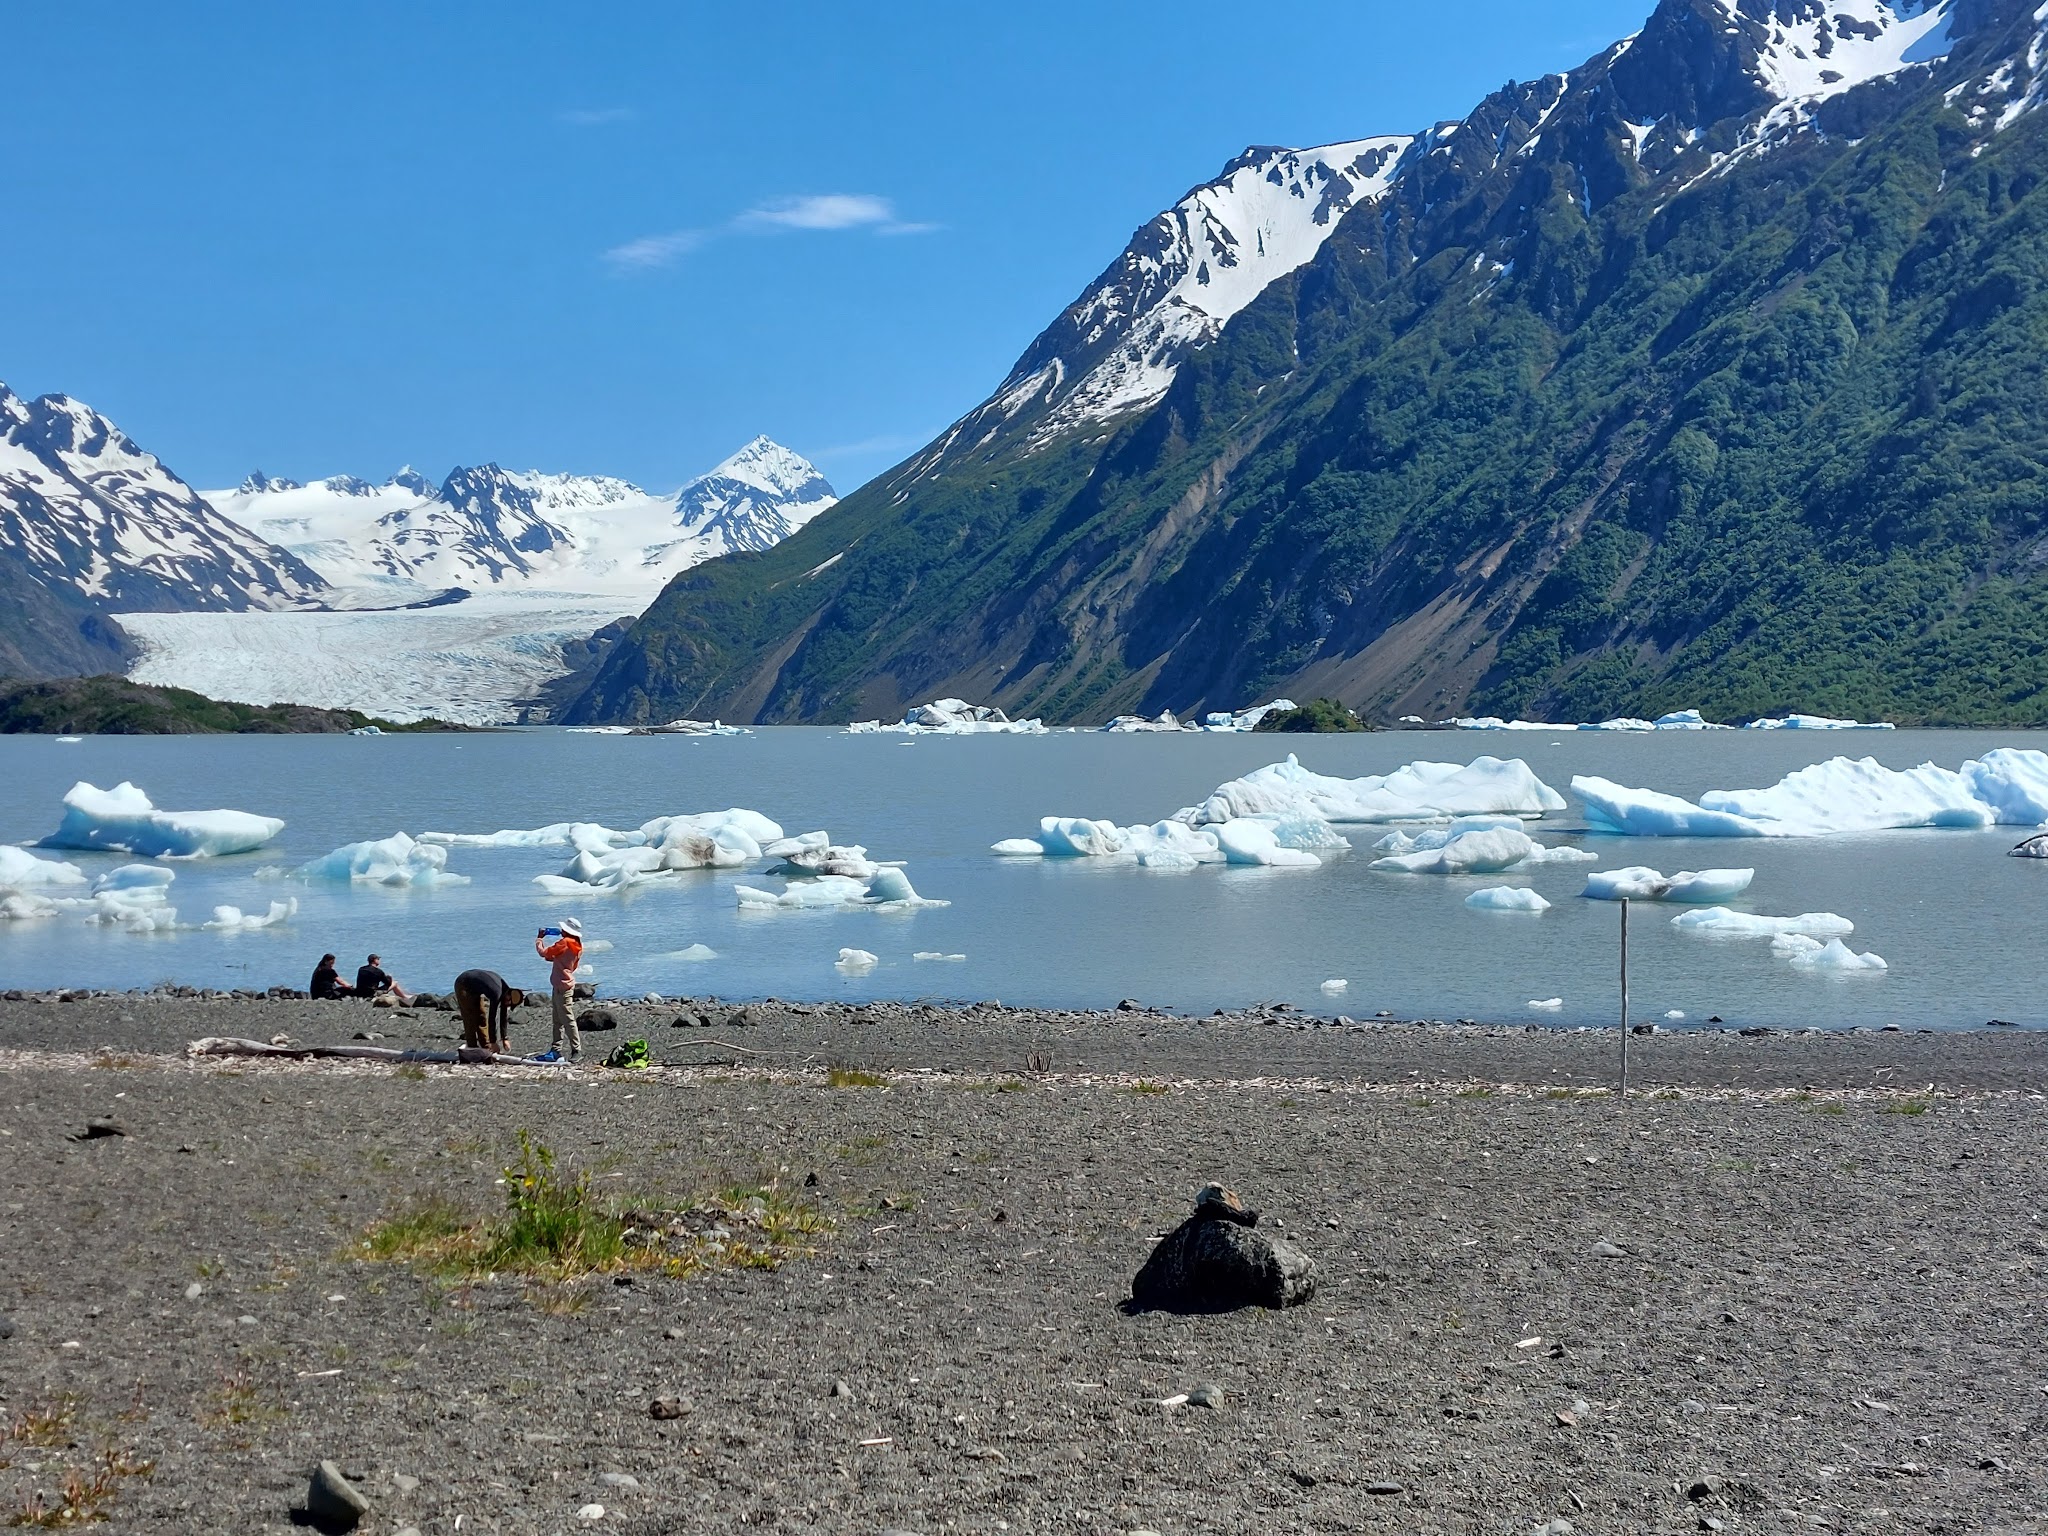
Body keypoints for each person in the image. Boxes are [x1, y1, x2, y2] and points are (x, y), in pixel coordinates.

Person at [534, 917, 584, 1064]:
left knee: (566, 1019)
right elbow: (559, 958)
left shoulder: (564, 942)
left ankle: (576, 1050)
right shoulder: (577, 945)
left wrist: (539, 939)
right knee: (558, 1020)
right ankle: (556, 1050)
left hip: (561, 986)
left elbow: (545, 953)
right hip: (565, 984)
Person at [453, 968, 525, 1051]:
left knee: (481, 1017)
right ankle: (472, 1048)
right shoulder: (497, 993)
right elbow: (492, 1018)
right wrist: (494, 1042)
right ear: (509, 996)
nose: (508, 1004)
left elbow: (503, 1015)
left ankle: (486, 1047)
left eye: (510, 1004)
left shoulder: (505, 992)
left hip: (476, 987)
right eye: (509, 1002)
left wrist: (504, 1038)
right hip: (463, 983)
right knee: (470, 1018)